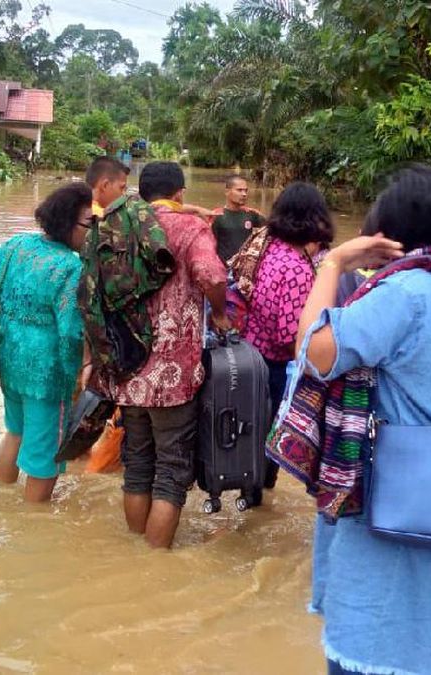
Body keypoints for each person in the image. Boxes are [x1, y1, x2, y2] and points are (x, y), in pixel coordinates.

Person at [297, 166, 431, 675]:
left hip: (392, 515)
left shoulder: (406, 292)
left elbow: (316, 352)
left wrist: (332, 263)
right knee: (419, 653)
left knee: (370, 654)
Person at [104, 161, 230, 549]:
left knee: (138, 466)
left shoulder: (117, 226)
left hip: (126, 366)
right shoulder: (190, 228)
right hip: (173, 373)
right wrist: (222, 314)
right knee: (172, 471)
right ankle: (155, 563)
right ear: (179, 194)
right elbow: (212, 276)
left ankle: (136, 550)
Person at [0, 183, 93, 503]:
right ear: (68, 223)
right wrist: (74, 377)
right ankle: (31, 525)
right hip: (47, 372)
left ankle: (3, 498)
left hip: (7, 358)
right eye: (88, 224)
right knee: (46, 451)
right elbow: (71, 332)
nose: (91, 232)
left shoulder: (15, 246)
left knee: (16, 429)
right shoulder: (70, 266)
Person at [239, 182, 334, 498]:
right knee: (269, 450)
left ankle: (252, 505)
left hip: (249, 356)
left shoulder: (267, 248)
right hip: (274, 367)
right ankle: (258, 508)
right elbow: (290, 334)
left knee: (250, 443)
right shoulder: (297, 267)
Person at [209, 175, 266, 262]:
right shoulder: (216, 215)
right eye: (239, 190)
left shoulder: (252, 214)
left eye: (246, 191)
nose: (244, 194)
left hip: (244, 268)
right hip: (224, 268)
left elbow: (271, 231)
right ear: (227, 192)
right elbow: (209, 245)